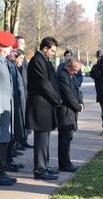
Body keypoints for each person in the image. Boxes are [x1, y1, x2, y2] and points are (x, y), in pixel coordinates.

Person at [25, 36, 61, 180]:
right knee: (41, 140)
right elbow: (44, 84)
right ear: (44, 48)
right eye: (52, 50)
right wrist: (57, 99)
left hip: (46, 106)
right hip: (40, 107)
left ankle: (44, 166)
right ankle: (39, 170)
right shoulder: (36, 61)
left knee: (45, 139)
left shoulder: (44, 60)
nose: (53, 53)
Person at [57, 59, 84, 172]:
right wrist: (78, 107)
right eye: (75, 70)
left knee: (68, 138)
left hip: (71, 111)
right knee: (65, 139)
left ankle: (66, 163)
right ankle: (65, 164)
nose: (76, 73)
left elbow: (77, 91)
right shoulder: (63, 76)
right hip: (65, 111)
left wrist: (81, 103)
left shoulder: (70, 75)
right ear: (69, 66)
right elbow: (68, 95)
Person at [0, 31, 17, 185]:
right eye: (9, 45)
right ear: (2, 46)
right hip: (0, 108)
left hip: (5, 107)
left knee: (4, 139)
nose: (11, 48)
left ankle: (2, 171)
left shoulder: (4, 62)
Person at [15, 36, 33, 149]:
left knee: (26, 116)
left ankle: (24, 140)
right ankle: (18, 142)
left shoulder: (24, 56)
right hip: (20, 91)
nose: (23, 45)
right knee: (20, 118)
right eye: (20, 43)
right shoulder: (15, 56)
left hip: (26, 90)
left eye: (23, 43)